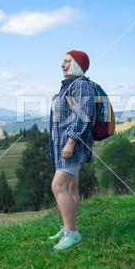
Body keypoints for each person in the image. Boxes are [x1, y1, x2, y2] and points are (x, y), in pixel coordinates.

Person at [48, 50, 95, 252]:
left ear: (77, 64)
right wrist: (60, 100)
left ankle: (72, 234)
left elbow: (82, 115)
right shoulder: (71, 86)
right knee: (70, 188)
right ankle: (69, 228)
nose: (62, 65)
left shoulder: (82, 85)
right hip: (65, 144)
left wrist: (71, 142)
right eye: (63, 61)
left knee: (58, 186)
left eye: (67, 61)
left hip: (71, 145)